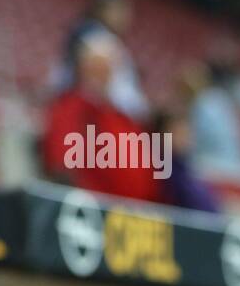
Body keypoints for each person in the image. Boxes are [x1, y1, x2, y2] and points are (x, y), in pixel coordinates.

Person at [41, 33, 164, 204]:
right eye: (96, 67)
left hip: (139, 214)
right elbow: (62, 166)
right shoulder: (71, 108)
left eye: (108, 68)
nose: (102, 74)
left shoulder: (122, 117)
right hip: (96, 211)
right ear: (83, 68)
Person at [50, 0, 150, 120]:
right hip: (89, 117)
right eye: (121, 10)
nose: (126, 17)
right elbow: (96, 87)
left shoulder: (97, 35)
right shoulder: (95, 35)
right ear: (104, 9)